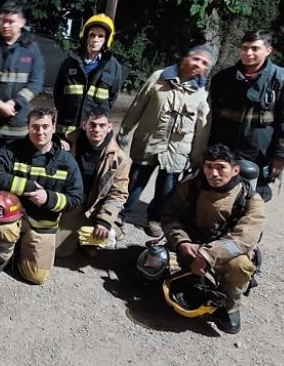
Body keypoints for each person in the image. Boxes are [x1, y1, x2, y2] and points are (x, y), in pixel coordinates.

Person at [159, 144, 265, 334]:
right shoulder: (190, 187)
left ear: (235, 170)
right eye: (209, 166)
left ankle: (229, 304)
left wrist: (207, 256)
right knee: (153, 261)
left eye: (220, 167)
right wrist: (181, 241)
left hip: (224, 252)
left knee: (241, 266)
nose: (213, 173)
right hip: (190, 246)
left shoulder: (250, 200)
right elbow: (169, 214)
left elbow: (244, 238)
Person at [118, 45, 212, 237]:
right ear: (185, 58)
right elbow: (138, 104)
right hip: (148, 142)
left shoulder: (202, 93)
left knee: (167, 189)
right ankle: (120, 214)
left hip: (177, 150)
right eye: (196, 59)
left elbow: (202, 129)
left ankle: (155, 218)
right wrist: (124, 131)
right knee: (135, 181)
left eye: (204, 63)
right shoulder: (159, 78)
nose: (199, 65)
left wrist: (196, 158)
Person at [0, 107, 83, 283]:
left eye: (45, 126)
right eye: (35, 126)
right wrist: (26, 186)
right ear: (28, 127)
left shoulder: (66, 161)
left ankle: (22, 249)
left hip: (42, 219)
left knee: (36, 277)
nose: (40, 132)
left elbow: (76, 198)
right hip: (12, 213)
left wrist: (48, 198)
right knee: (1, 213)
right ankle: (1, 258)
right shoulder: (13, 150)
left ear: (53, 127)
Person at [209, 29, 284, 201]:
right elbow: (209, 114)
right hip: (224, 147)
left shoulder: (279, 80)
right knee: (218, 190)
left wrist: (280, 155)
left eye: (255, 48)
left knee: (254, 198)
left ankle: (247, 227)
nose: (248, 53)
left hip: (260, 151)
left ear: (268, 50)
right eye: (244, 48)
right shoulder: (224, 78)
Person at [0, 0, 45, 172]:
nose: (5, 25)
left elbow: (36, 82)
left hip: (17, 124)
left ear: (22, 22)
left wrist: (14, 103)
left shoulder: (31, 49)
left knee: (16, 169)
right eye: (2, 21)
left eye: (10, 22)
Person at [55, 108, 130, 257]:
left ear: (110, 127)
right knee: (59, 252)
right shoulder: (67, 144)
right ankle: (78, 232)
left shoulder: (120, 158)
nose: (96, 129)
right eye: (92, 124)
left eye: (102, 125)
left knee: (104, 229)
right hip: (72, 202)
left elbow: (118, 193)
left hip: (96, 207)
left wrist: (105, 220)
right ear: (84, 125)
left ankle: (106, 229)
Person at [54, 13, 123, 138]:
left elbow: (112, 98)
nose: (96, 39)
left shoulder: (114, 67)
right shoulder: (70, 62)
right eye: (92, 35)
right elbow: (58, 94)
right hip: (66, 132)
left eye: (101, 36)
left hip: (93, 134)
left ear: (106, 40)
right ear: (86, 37)